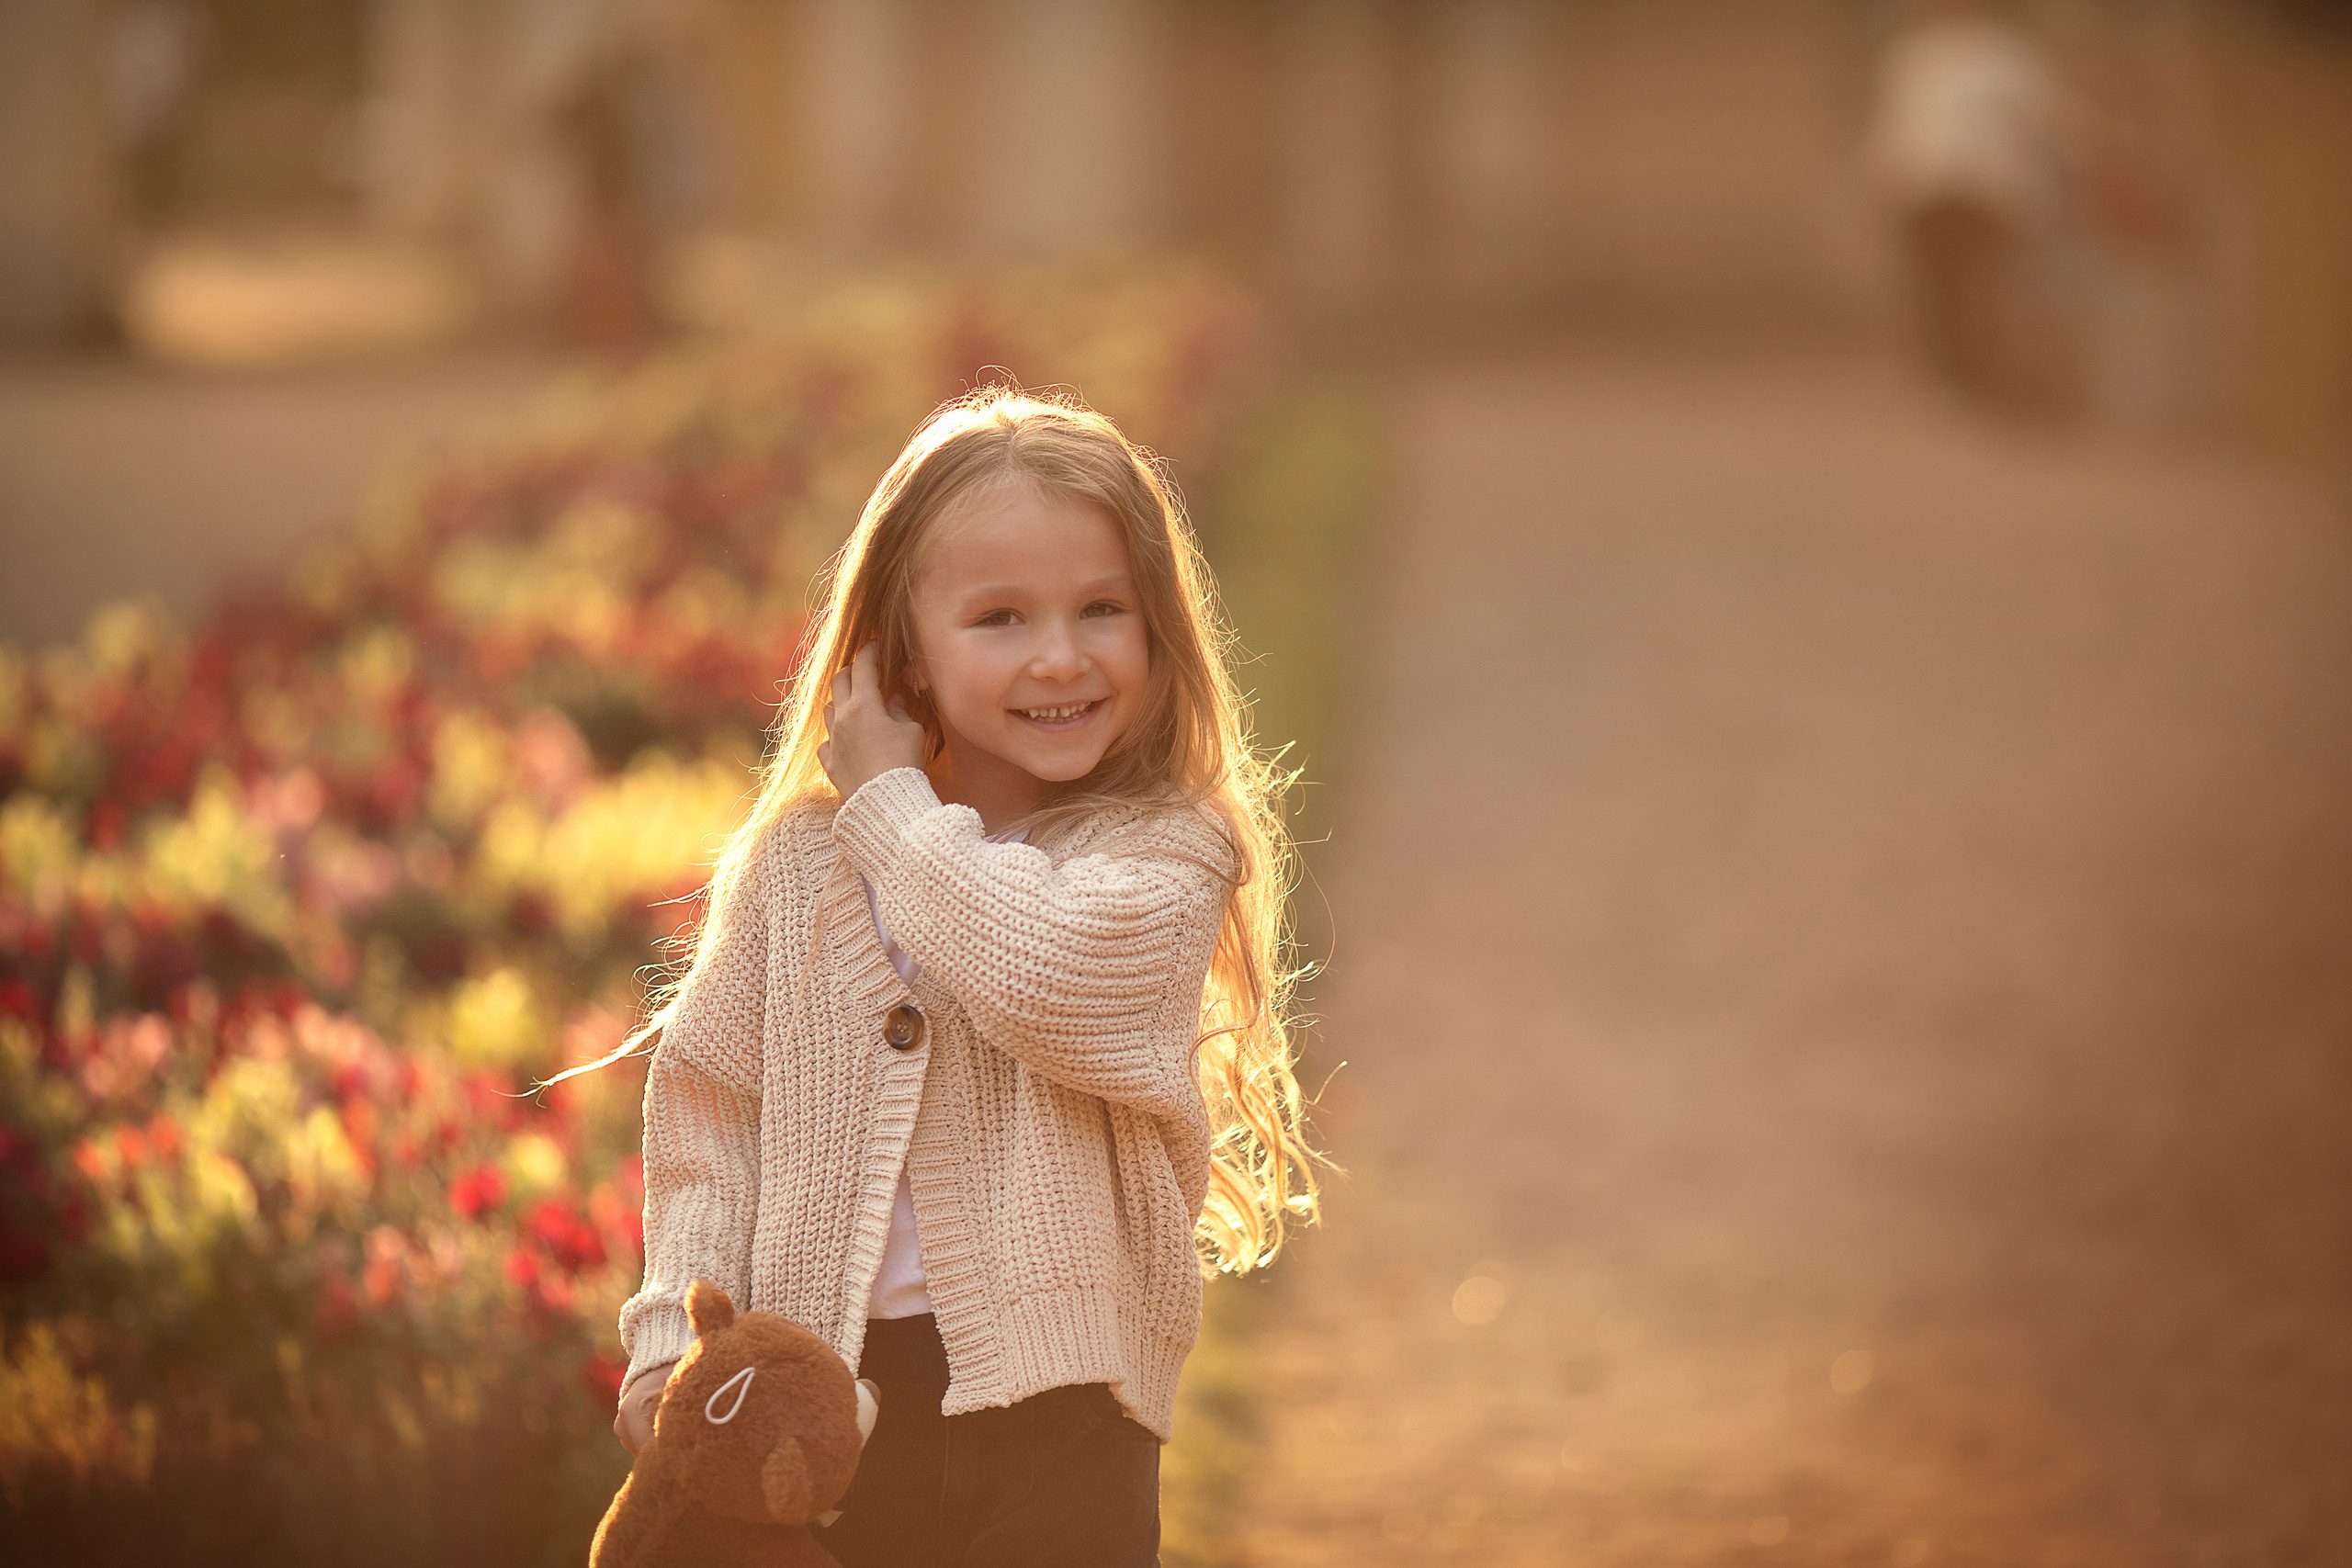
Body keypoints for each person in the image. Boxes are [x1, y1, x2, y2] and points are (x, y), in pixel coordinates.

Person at [600, 388, 1318, 1565]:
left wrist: (890, 807)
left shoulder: (1164, 851)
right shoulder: (799, 866)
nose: (1060, 656)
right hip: (823, 1417)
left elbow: (1044, 973)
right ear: (898, 653)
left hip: (1067, 1422)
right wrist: (667, 1334)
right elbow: (711, 1114)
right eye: (998, 617)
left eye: (1102, 609)